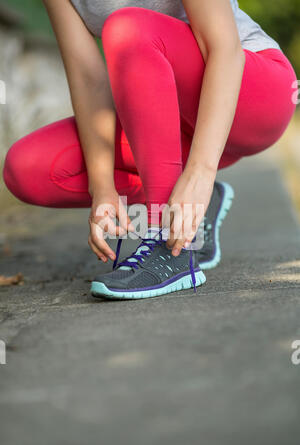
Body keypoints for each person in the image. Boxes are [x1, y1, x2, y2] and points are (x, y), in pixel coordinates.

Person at [3, 0, 297, 299]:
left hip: (250, 92)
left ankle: (169, 243)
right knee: (28, 168)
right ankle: (190, 215)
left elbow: (223, 48)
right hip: (165, 118)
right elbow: (89, 79)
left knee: (126, 27)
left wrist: (200, 174)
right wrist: (102, 186)